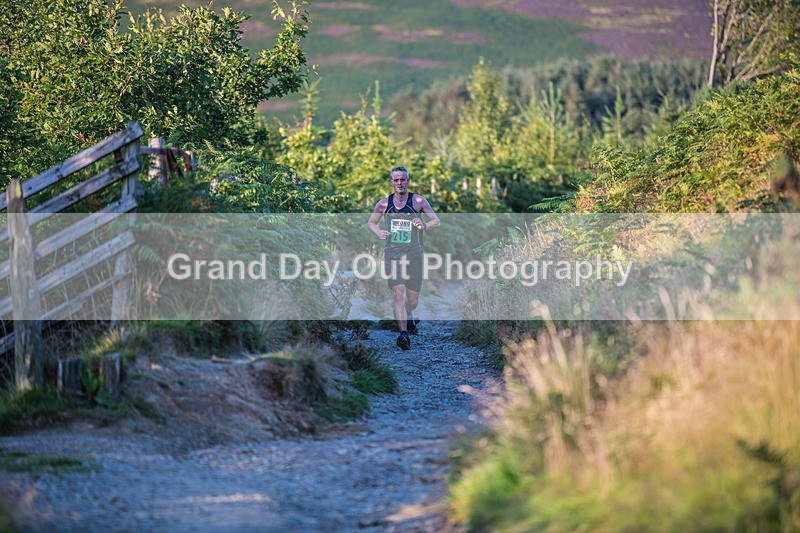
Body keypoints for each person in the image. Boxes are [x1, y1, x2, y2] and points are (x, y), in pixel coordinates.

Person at [368, 166, 440, 350]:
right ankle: (403, 334)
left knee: (412, 301)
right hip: (393, 255)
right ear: (391, 182)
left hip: (414, 255)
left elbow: (436, 220)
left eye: (403, 179)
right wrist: (378, 232)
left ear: (408, 181)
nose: (399, 183)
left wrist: (424, 225)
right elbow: (372, 222)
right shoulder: (383, 204)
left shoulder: (418, 201)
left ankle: (409, 313)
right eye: (396, 180)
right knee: (398, 294)